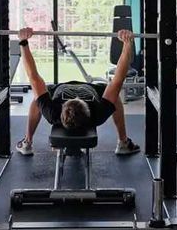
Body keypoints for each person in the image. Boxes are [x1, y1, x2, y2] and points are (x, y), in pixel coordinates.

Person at [15, 27, 140, 156]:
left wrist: (23, 42)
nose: (76, 96)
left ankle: (27, 142)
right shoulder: (98, 113)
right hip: (95, 89)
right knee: (115, 98)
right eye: (78, 99)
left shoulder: (53, 112)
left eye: (71, 99)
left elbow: (33, 77)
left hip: (58, 88)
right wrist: (127, 43)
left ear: (62, 106)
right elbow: (118, 79)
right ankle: (123, 142)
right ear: (88, 109)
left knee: (37, 99)